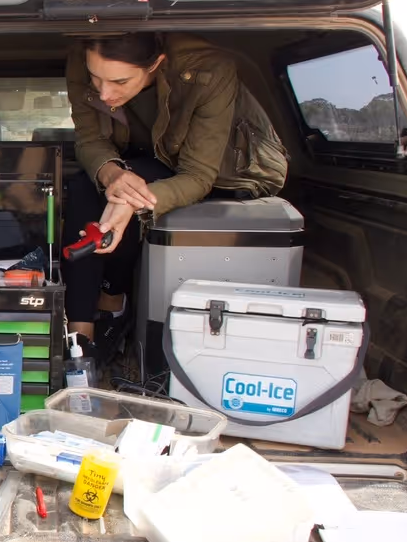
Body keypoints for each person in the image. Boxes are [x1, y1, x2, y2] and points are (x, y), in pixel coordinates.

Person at [61, 32, 289, 361]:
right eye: (96, 78)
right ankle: (79, 344)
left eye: (120, 82)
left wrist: (129, 200)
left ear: (155, 64)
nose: (104, 93)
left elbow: (197, 175)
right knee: (87, 186)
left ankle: (112, 302)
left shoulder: (209, 69)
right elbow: (89, 139)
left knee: (123, 200)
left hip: (219, 170)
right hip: (143, 159)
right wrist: (113, 174)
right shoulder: (81, 60)